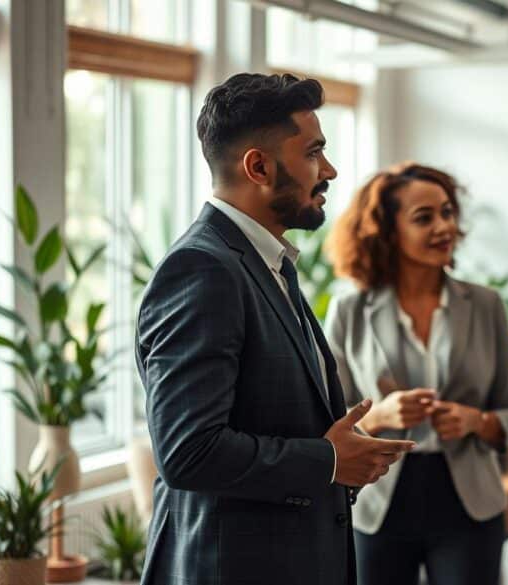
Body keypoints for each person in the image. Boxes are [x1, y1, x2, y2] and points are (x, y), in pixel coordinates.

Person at [135, 73, 415, 585]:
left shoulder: (267, 263)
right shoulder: (204, 270)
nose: (328, 170)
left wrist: (341, 452)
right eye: (313, 153)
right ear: (258, 166)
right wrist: (327, 460)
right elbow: (188, 452)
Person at [323, 162, 508, 585]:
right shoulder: (349, 310)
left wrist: (477, 420)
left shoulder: (486, 304)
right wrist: (380, 416)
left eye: (448, 212)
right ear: (387, 231)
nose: (444, 227)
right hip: (376, 499)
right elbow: (324, 417)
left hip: (470, 502)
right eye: (424, 217)